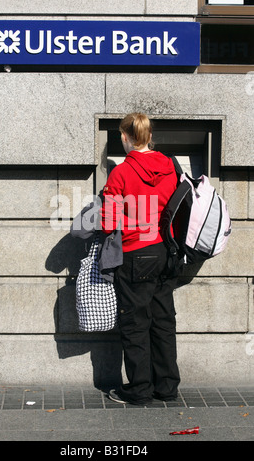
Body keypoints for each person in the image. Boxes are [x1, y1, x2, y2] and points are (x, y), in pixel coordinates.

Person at [100, 112, 180, 405]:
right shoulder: (170, 166)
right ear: (148, 136)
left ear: (125, 137)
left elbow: (109, 223)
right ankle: (168, 387)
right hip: (164, 252)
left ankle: (139, 390)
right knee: (162, 320)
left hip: (135, 253)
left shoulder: (120, 173)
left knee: (135, 324)